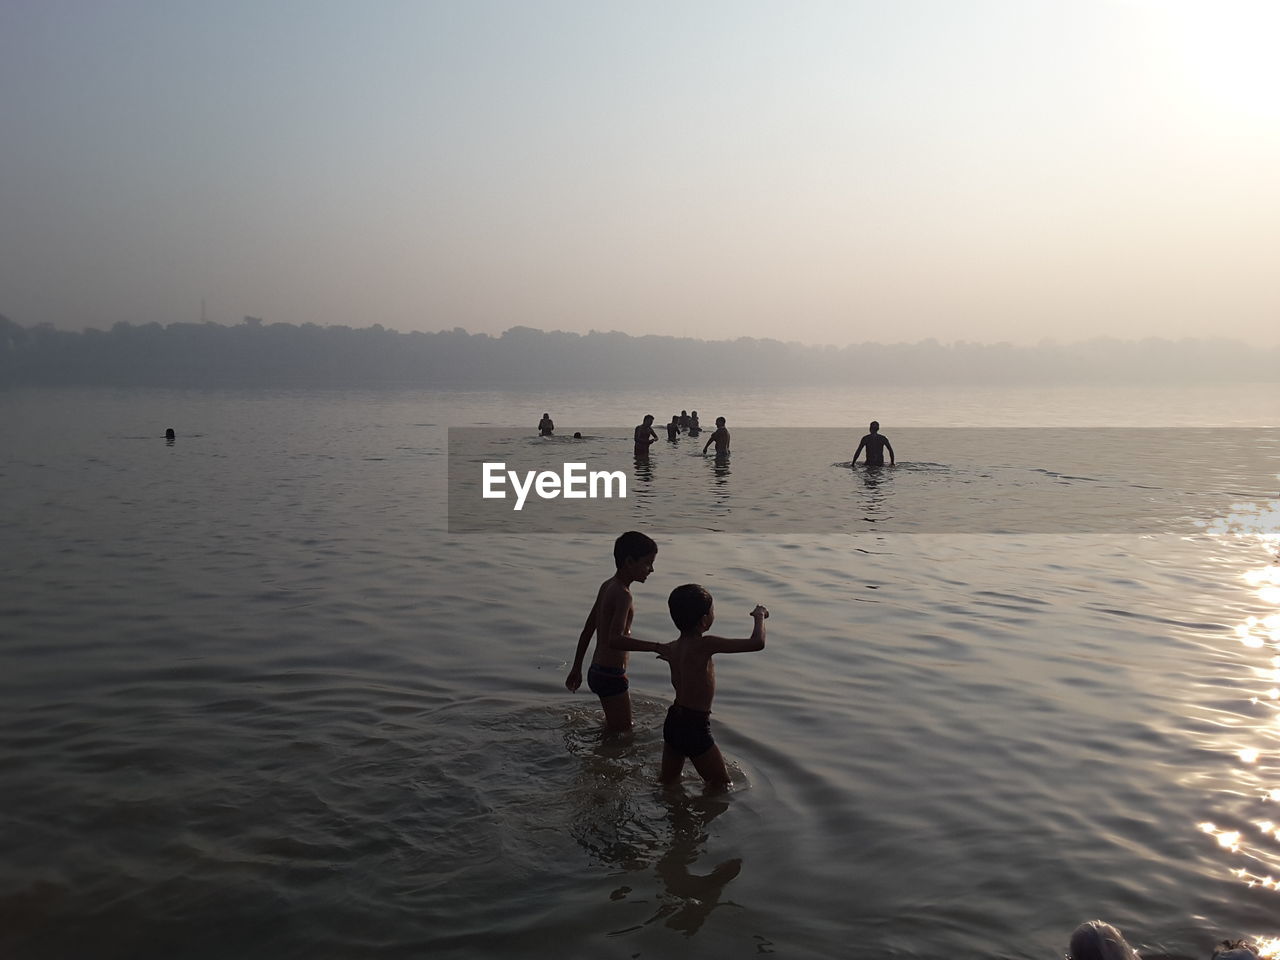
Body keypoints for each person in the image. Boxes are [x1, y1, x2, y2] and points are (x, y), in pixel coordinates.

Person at [658, 583, 769, 789]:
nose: (713, 614)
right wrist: (759, 615)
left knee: (668, 783)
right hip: (695, 726)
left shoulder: (673, 647)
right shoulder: (705, 644)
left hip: (673, 720)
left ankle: (673, 814)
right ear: (704, 621)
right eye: (712, 611)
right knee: (721, 786)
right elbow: (757, 642)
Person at [564, 532, 665, 732]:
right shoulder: (623, 595)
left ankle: (596, 749)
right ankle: (597, 758)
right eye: (647, 563)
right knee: (625, 733)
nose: (651, 569)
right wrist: (657, 647)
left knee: (613, 729)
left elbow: (587, 630)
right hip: (611, 675)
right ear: (629, 562)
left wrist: (577, 667)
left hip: (597, 670)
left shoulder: (607, 586)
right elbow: (615, 639)